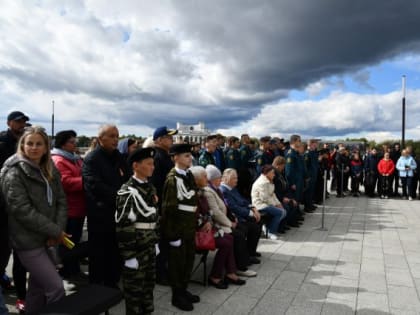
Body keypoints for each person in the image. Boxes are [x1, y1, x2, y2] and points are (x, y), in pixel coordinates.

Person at [1, 126, 68, 314]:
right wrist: (55, 231)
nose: (34, 147)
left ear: (46, 147)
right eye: (29, 143)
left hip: (48, 238)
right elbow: (22, 210)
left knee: (37, 289)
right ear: (22, 144)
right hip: (27, 240)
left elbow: (61, 200)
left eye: (39, 144)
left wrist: (57, 230)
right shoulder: (13, 171)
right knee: (56, 288)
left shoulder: (49, 167)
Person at [82, 124, 130, 288]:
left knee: (115, 251)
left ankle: (112, 281)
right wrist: (120, 195)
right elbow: (94, 185)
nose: (116, 139)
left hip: (118, 213)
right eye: (111, 136)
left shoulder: (118, 156)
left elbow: (128, 177)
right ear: (100, 139)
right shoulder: (92, 158)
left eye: (117, 136)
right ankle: (96, 284)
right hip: (100, 214)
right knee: (99, 252)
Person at [115, 147, 159, 315]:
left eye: (153, 164)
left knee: (148, 287)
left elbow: (155, 217)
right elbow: (123, 227)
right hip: (137, 248)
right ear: (136, 166)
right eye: (149, 164)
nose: (152, 167)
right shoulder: (127, 192)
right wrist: (129, 256)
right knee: (134, 292)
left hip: (149, 245)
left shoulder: (149, 187)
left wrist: (156, 241)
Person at [191, 166, 245, 289]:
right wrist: (205, 222)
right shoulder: (193, 193)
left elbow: (208, 212)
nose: (207, 179)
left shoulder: (201, 191)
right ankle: (215, 276)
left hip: (207, 227)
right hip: (197, 233)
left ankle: (230, 272)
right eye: (204, 177)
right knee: (227, 241)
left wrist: (208, 221)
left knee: (228, 239)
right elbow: (194, 215)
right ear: (196, 179)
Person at [161, 143, 199, 311]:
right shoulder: (172, 179)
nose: (190, 158)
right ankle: (177, 296)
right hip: (178, 229)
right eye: (186, 156)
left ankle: (183, 290)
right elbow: (169, 209)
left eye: (190, 155)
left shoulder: (187, 175)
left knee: (188, 260)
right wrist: (172, 236)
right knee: (177, 263)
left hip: (189, 226)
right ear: (175, 157)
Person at [0, 111, 30, 312]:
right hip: (5, 204)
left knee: (20, 253)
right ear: (9, 122)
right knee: (3, 250)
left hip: (21, 206)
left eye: (23, 122)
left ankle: (22, 295)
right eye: (18, 122)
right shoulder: (2, 141)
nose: (21, 125)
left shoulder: (27, 142)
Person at [205, 165, 258, 277]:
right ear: (213, 179)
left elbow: (227, 207)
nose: (221, 179)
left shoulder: (216, 189)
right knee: (238, 235)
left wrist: (233, 219)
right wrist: (230, 223)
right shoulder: (210, 191)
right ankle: (240, 267)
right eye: (220, 177)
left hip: (225, 221)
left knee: (244, 229)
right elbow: (217, 213)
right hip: (218, 225)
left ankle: (242, 260)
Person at [51, 130, 87, 280]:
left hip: (78, 207)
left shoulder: (75, 158)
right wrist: (86, 181)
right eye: (72, 142)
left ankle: (72, 268)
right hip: (69, 209)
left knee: (74, 241)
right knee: (69, 242)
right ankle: (69, 271)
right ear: (63, 144)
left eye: (75, 141)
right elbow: (65, 182)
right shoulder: (58, 160)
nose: (75, 144)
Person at [149, 126, 178, 285]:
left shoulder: (165, 156)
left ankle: (163, 270)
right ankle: (160, 273)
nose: (171, 140)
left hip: (168, 205)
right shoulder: (157, 157)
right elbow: (156, 185)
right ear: (159, 140)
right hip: (162, 207)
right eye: (168, 137)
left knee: (166, 241)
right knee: (162, 241)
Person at [220, 168, 262, 260]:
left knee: (258, 223)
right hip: (235, 217)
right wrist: (250, 213)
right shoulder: (224, 190)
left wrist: (252, 207)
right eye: (234, 178)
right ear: (227, 178)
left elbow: (242, 200)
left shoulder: (232, 188)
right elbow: (233, 207)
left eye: (236, 178)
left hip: (242, 214)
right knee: (252, 228)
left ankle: (251, 251)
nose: (237, 180)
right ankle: (247, 255)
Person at [251, 165, 287, 240]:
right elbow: (265, 198)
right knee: (280, 212)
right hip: (260, 205)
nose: (274, 175)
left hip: (267, 203)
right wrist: (275, 205)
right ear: (267, 173)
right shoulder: (262, 182)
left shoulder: (268, 180)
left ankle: (267, 227)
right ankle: (271, 232)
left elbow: (272, 194)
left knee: (283, 211)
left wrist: (278, 204)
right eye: (272, 173)